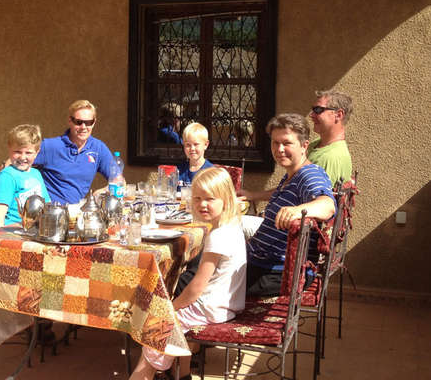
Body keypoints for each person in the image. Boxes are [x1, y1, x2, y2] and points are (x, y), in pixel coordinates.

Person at [129, 167, 246, 380]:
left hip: (211, 308)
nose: (202, 204)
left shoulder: (218, 237)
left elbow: (196, 288)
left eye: (210, 199)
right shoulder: (232, 226)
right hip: (227, 304)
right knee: (174, 318)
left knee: (156, 327)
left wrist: (170, 308)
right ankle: (183, 374)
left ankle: (143, 374)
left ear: (226, 200)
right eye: (198, 198)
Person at [239, 113, 336, 297]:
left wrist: (298, 210)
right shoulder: (293, 175)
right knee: (203, 261)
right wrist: (254, 195)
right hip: (262, 262)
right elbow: (282, 191)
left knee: (200, 275)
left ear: (304, 145)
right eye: (275, 143)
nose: (279, 149)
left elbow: (328, 204)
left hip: (276, 273)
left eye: (286, 143)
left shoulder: (309, 175)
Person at [32, 99, 121, 204]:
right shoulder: (50, 146)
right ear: (70, 121)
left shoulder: (98, 148)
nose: (83, 127)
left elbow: (119, 181)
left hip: (77, 212)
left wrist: (103, 192)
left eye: (88, 122)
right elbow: (14, 162)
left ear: (94, 123)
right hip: (50, 213)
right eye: (78, 122)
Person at [0, 124, 49, 228]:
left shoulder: (36, 173)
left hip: (36, 230)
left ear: (37, 152)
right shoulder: (7, 177)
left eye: (28, 153)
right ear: (9, 148)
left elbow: (47, 206)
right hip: (13, 233)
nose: (22, 157)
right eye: (17, 152)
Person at [307, 90, 353, 188]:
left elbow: (316, 201)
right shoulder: (316, 145)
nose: (311, 115)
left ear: (338, 115)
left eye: (318, 110)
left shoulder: (329, 157)